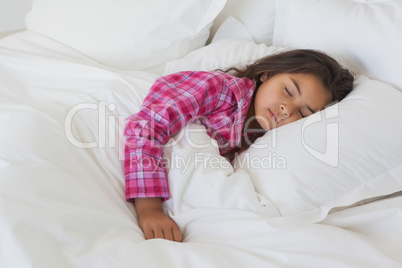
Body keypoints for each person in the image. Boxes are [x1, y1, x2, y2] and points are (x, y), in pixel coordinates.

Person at [123, 49, 354, 242]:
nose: (287, 109)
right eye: (288, 91)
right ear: (267, 74)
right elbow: (146, 128)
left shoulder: (265, 138)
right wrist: (149, 210)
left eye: (303, 113)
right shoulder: (218, 90)